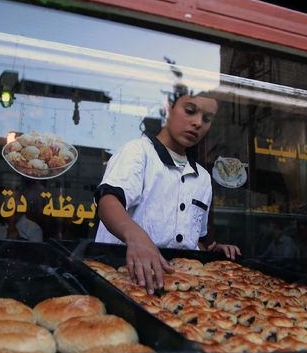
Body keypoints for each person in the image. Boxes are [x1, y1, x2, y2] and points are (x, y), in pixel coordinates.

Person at [94, 88, 241, 294]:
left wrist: (213, 252)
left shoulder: (203, 178)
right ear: (168, 107)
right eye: (190, 111)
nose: (198, 123)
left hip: (177, 288)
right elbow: (108, 202)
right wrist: (136, 237)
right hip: (124, 280)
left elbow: (195, 240)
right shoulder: (139, 152)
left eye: (207, 118)